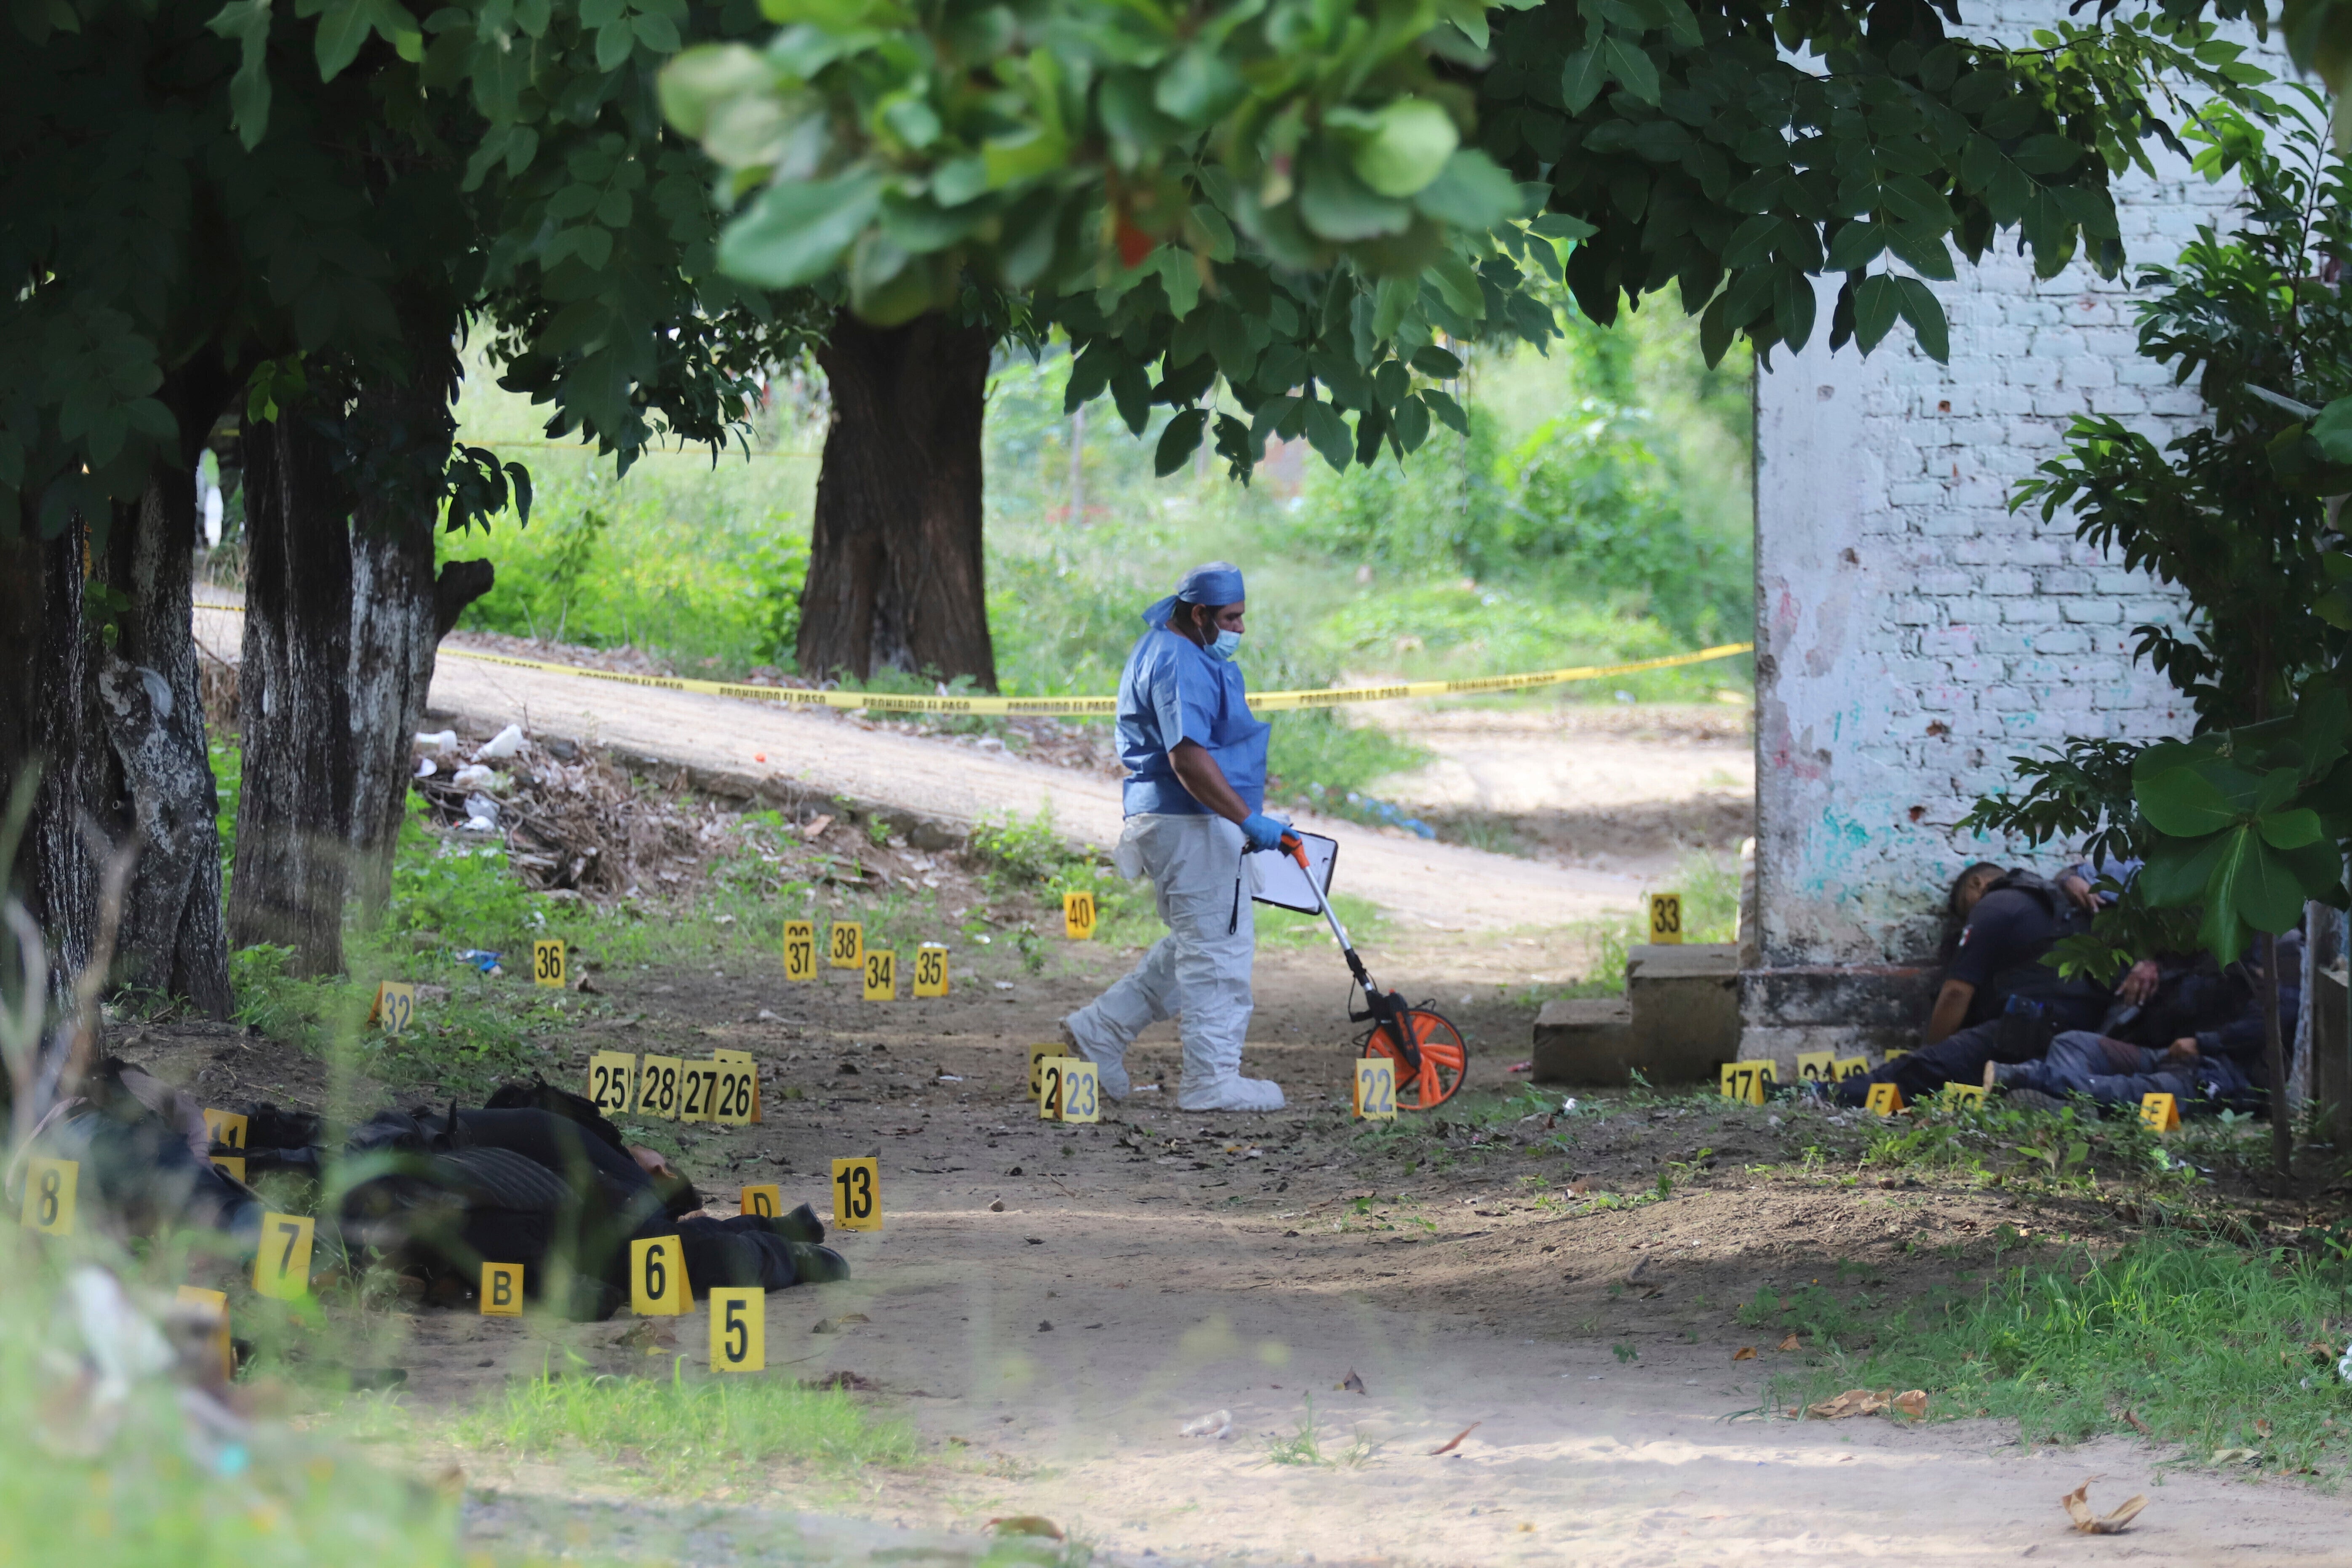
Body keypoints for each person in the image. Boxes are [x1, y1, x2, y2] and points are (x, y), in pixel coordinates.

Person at [1062, 562, 1289, 1112]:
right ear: (1198, 614)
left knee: (1195, 942)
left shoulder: (1167, 647)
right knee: (1217, 952)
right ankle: (1212, 1081)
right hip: (1188, 823)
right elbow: (1187, 757)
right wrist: (1246, 818)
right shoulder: (1178, 660)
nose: (1239, 629)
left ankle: (1101, 1030)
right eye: (1231, 618)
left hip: (1177, 821)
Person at [1835, 860, 2154, 1106]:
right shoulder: (2060, 900)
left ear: (1977, 885)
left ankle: (1827, 1093)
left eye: (1966, 908)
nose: (1969, 916)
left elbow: (1956, 992)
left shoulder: (1995, 902)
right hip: (2085, 1033)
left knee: (1920, 1070)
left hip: (2033, 1025)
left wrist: (1932, 1053)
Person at [1992, 932, 2301, 1114]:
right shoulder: (2222, 943)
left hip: (2222, 1078)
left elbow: (2272, 1019)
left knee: (2131, 1089)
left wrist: (2204, 1043)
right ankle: (2076, 1108)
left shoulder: (2287, 957)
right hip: (2174, 1054)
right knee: (2073, 1042)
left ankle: (2032, 1079)